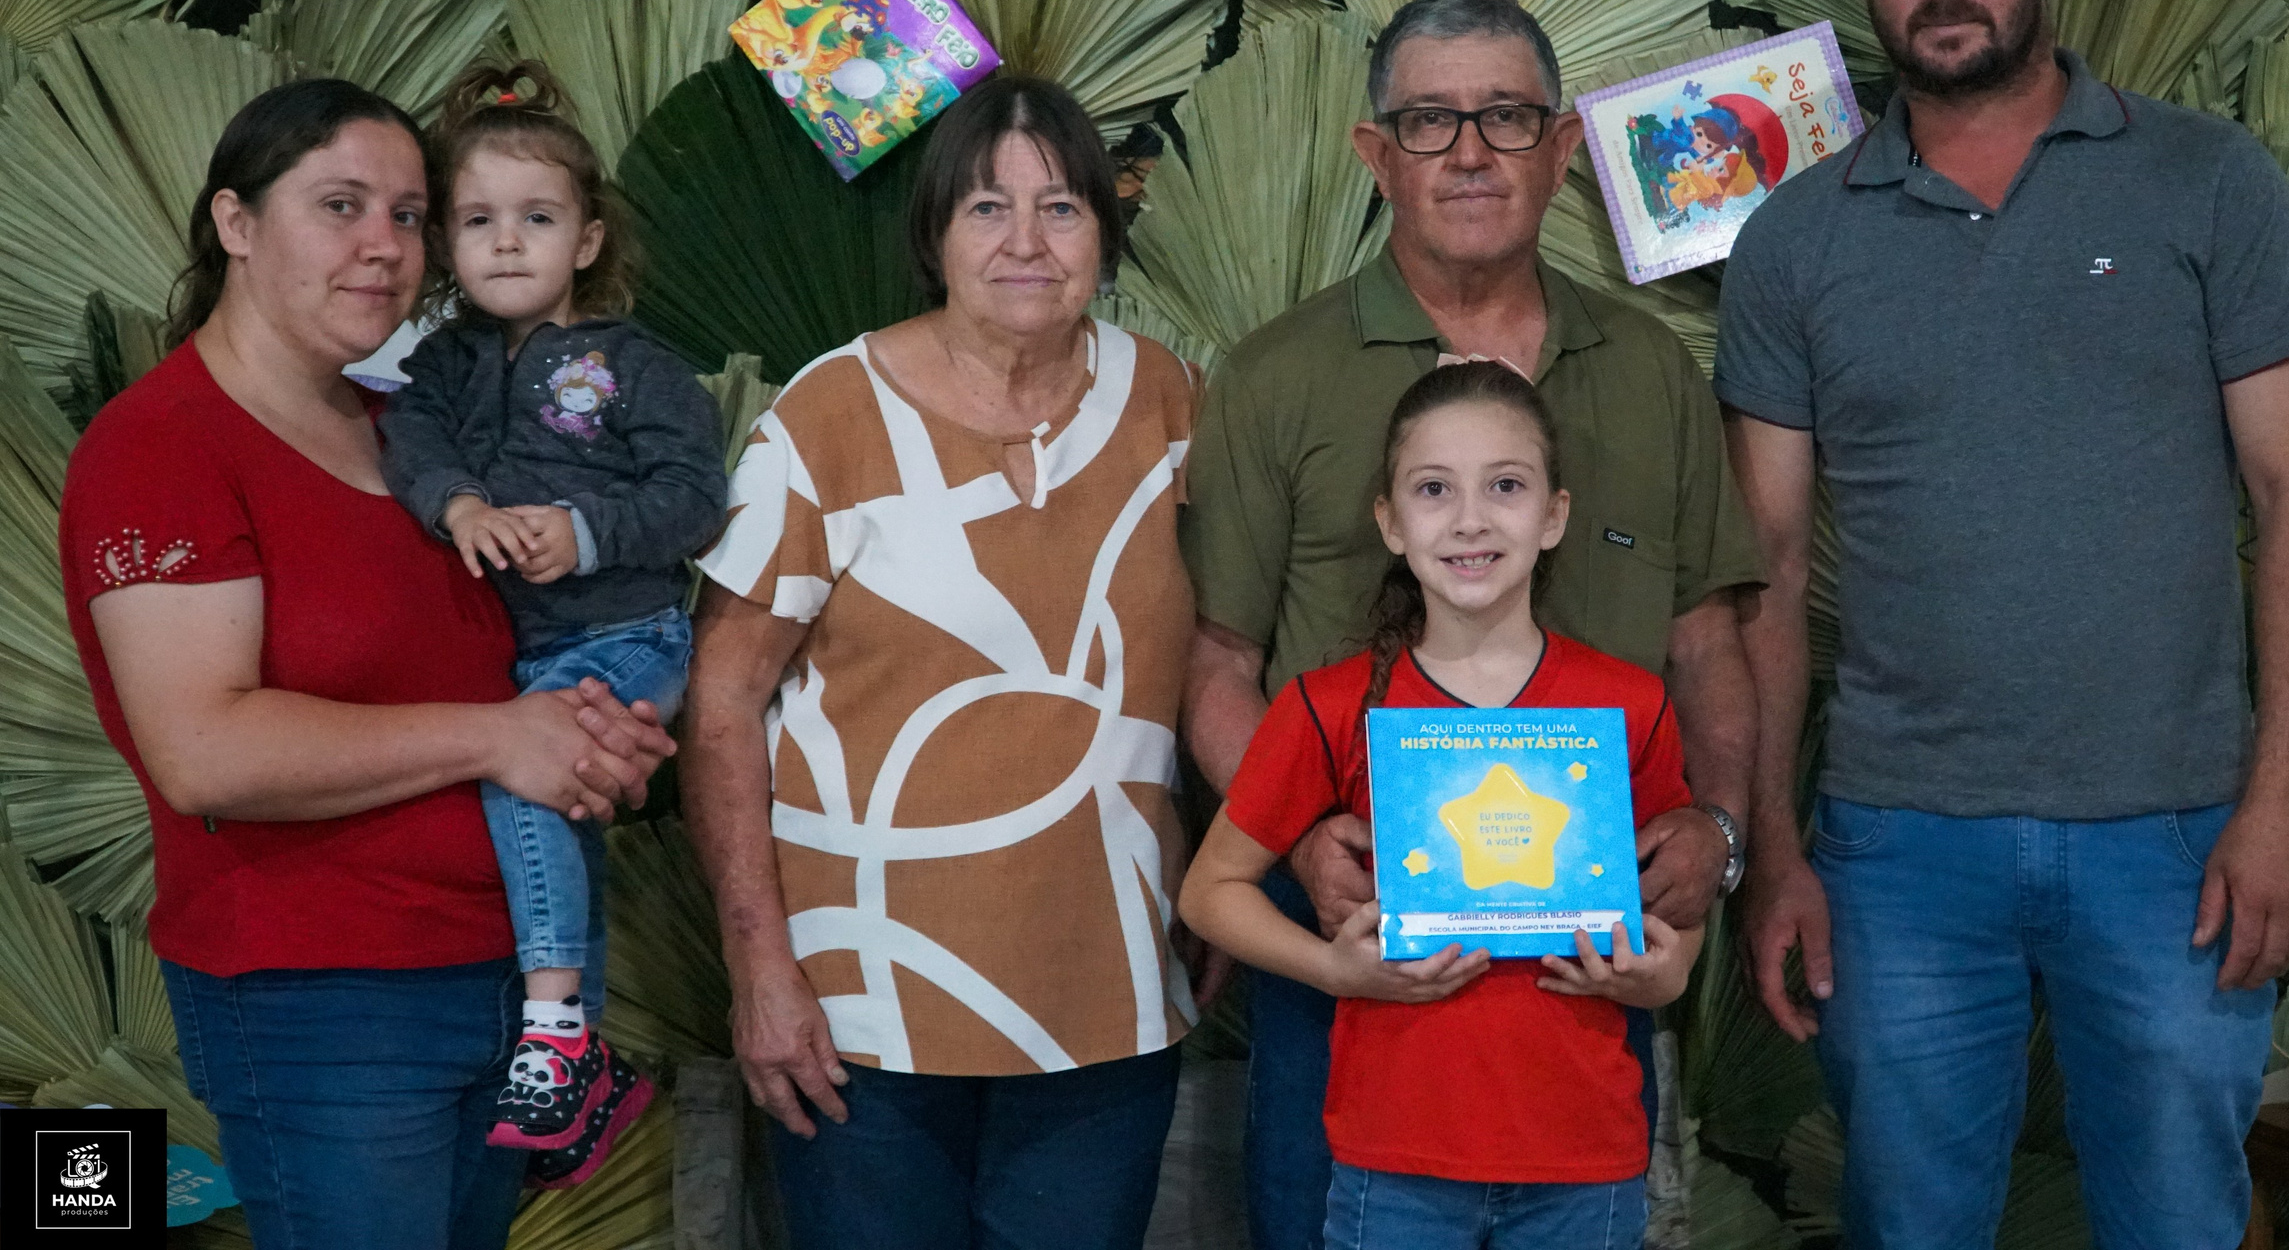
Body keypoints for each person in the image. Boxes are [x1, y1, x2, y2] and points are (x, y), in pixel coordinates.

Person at [1713, 0, 2289, 1245]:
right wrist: (1775, 849)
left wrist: (2288, 801)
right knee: (1911, 1219)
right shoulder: (1795, 243)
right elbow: (1760, 573)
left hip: (2180, 839)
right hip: (1897, 848)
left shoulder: (2208, 183)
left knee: (2181, 1215)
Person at [1182, 0, 1763, 1250]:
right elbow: (1220, 659)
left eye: (1504, 117)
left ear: (1561, 150)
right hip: (1359, 950)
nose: (1467, 152)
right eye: (1429, 120)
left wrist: (1717, 836)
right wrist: (1302, 842)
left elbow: (1709, 641)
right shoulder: (1277, 377)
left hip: (1581, 982)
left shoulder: (1650, 368)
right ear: (1373, 154)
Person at [56, 78, 675, 1250]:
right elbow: (204, 750)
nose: (383, 247)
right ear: (236, 224)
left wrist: (601, 732)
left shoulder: (418, 425)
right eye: (339, 205)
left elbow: (526, 659)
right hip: (324, 996)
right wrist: (502, 738)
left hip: (508, 973)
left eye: (406, 214)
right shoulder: (159, 447)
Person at [684, 75, 1204, 1249]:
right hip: (856, 1004)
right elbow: (721, 701)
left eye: (1061, 207)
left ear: (1106, 237)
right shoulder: (827, 416)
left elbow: (1216, 656)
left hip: (1108, 986)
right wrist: (758, 963)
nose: (1025, 241)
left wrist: (1228, 865)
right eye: (985, 208)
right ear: (932, 235)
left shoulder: (1166, 400)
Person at [1184, 361, 1701, 1250]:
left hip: (1584, 1158)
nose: (1470, 518)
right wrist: (1333, 969)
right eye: (1434, 489)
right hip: (1396, 1162)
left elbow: (1672, 903)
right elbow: (1210, 892)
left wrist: (1667, 971)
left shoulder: (1628, 705)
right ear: (1390, 522)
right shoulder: (1331, 705)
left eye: (1505, 485)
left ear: (1554, 516)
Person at [380, 61, 729, 1184]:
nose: (507, 242)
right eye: (477, 221)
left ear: (584, 239)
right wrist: (463, 504)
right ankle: (581, 1065)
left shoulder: (637, 364)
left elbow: (691, 499)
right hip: (513, 654)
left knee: (523, 780)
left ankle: (556, 1032)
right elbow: (413, 450)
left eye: (537, 218)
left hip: (628, 635)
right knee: (549, 820)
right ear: (445, 242)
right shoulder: (436, 365)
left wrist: (583, 531)